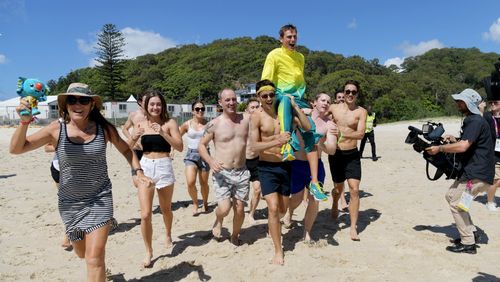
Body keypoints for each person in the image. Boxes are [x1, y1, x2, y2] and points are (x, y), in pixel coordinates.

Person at [10, 82, 150, 281]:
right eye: (72, 99)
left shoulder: (104, 129)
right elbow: (17, 149)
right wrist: (24, 122)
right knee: (81, 252)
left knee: (94, 259)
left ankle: (98, 270)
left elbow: (127, 149)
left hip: (99, 200)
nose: (78, 104)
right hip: (70, 205)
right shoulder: (56, 129)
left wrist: (138, 170)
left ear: (91, 105)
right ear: (65, 104)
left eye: (83, 100)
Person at [261, 24, 326, 201]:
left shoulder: (300, 57)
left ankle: (314, 182)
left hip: (298, 98)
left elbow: (300, 83)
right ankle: (287, 144)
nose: (292, 40)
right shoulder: (274, 54)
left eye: (294, 36)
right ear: (281, 39)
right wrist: (266, 101)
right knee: (284, 100)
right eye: (288, 37)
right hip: (279, 96)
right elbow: (266, 79)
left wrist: (301, 102)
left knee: (310, 131)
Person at [249, 79, 311, 265]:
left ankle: (273, 226)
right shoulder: (256, 117)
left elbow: (307, 128)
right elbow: (254, 145)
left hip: (285, 166)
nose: (268, 98)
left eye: (271, 94)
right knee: (273, 208)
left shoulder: (284, 111)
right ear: (258, 97)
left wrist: (294, 105)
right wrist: (277, 141)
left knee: (283, 210)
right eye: (264, 96)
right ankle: (278, 251)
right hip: (266, 167)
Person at [427, 89, 494, 254]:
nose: (458, 103)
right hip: (475, 172)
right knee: (452, 196)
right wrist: (454, 140)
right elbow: (467, 143)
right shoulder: (474, 120)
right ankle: (471, 232)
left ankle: (468, 242)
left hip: (476, 174)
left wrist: (440, 148)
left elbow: (464, 147)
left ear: (469, 103)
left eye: (461, 101)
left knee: (457, 204)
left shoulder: (475, 121)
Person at [128, 90, 183, 267]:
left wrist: (163, 133)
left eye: (158, 104)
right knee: (145, 214)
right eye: (152, 104)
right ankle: (148, 251)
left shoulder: (170, 123)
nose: (155, 107)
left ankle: (168, 233)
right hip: (146, 167)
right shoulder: (140, 124)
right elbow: (127, 149)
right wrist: (135, 136)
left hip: (164, 165)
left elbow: (180, 147)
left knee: (166, 209)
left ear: (163, 105)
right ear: (146, 106)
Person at [198, 88, 250, 246]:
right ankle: (219, 219)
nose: (231, 103)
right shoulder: (214, 124)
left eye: (234, 99)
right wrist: (210, 161)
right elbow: (201, 145)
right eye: (227, 100)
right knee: (225, 207)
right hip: (222, 172)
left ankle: (235, 235)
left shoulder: (246, 119)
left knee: (240, 208)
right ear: (220, 102)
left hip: (242, 171)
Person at [283, 93, 338, 242]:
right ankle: (290, 212)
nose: (325, 103)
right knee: (297, 198)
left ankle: (306, 232)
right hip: (297, 164)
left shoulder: (330, 125)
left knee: (314, 200)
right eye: (322, 100)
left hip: (316, 166)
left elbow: (332, 150)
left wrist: (318, 142)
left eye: (328, 101)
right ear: (314, 102)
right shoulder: (303, 116)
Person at [328, 80, 367, 241]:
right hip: (336, 154)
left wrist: (343, 134)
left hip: (352, 154)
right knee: (338, 189)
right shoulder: (334, 108)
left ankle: (353, 228)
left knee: (354, 190)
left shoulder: (361, 112)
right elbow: (318, 116)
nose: (350, 94)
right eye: (347, 91)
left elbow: (360, 134)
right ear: (343, 93)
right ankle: (335, 202)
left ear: (357, 94)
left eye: (353, 92)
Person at [179, 101, 211, 216]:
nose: (200, 111)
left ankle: (206, 202)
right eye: (197, 109)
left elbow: (217, 139)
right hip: (191, 155)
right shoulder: (187, 124)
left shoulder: (209, 125)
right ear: (193, 111)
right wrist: (172, 150)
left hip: (205, 155)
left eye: (202, 109)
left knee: (204, 184)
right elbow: (177, 136)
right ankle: (196, 203)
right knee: (190, 182)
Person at [44, 142, 72, 251]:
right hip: (58, 168)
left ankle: (69, 235)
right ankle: (70, 234)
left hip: (76, 169)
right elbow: (46, 148)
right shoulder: (56, 126)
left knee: (74, 201)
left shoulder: (85, 128)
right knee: (66, 200)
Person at [244, 98, 263, 224]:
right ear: (247, 110)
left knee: (257, 189)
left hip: (257, 160)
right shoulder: (241, 123)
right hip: (242, 161)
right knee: (242, 193)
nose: (255, 109)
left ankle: (251, 213)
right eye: (252, 107)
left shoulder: (262, 123)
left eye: (257, 107)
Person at [331, 90, 349, 211]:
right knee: (337, 179)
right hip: (335, 149)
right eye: (339, 97)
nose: (342, 99)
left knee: (347, 177)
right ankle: (340, 199)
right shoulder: (331, 112)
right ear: (335, 99)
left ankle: (341, 199)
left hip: (347, 149)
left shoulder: (349, 111)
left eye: (343, 97)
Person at [482, 98, 500, 211]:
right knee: (496, 180)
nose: (492, 104)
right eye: (491, 103)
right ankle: (490, 202)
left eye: (496, 103)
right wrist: (481, 110)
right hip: (492, 153)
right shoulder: (487, 116)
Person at [122, 92, 148, 161]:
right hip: (137, 149)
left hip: (150, 150)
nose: (149, 103)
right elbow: (125, 129)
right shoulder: (134, 115)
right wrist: (132, 139)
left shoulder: (154, 116)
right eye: (146, 101)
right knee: (136, 171)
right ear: (140, 102)